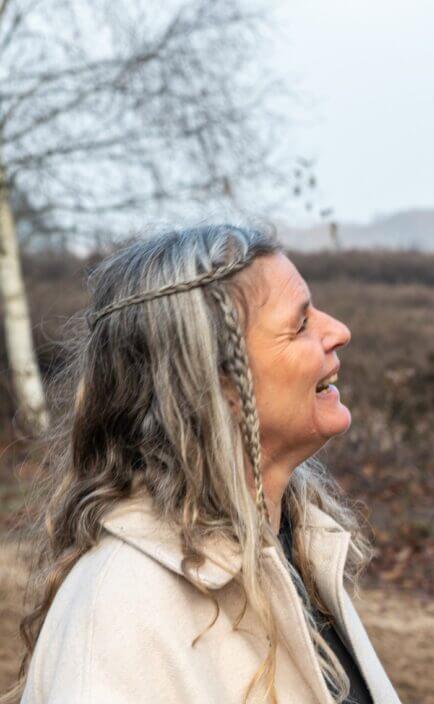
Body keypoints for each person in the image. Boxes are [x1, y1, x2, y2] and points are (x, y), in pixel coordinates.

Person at [8, 226, 400, 703]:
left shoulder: (293, 549)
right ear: (218, 386)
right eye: (299, 325)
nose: (338, 331)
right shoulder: (121, 613)